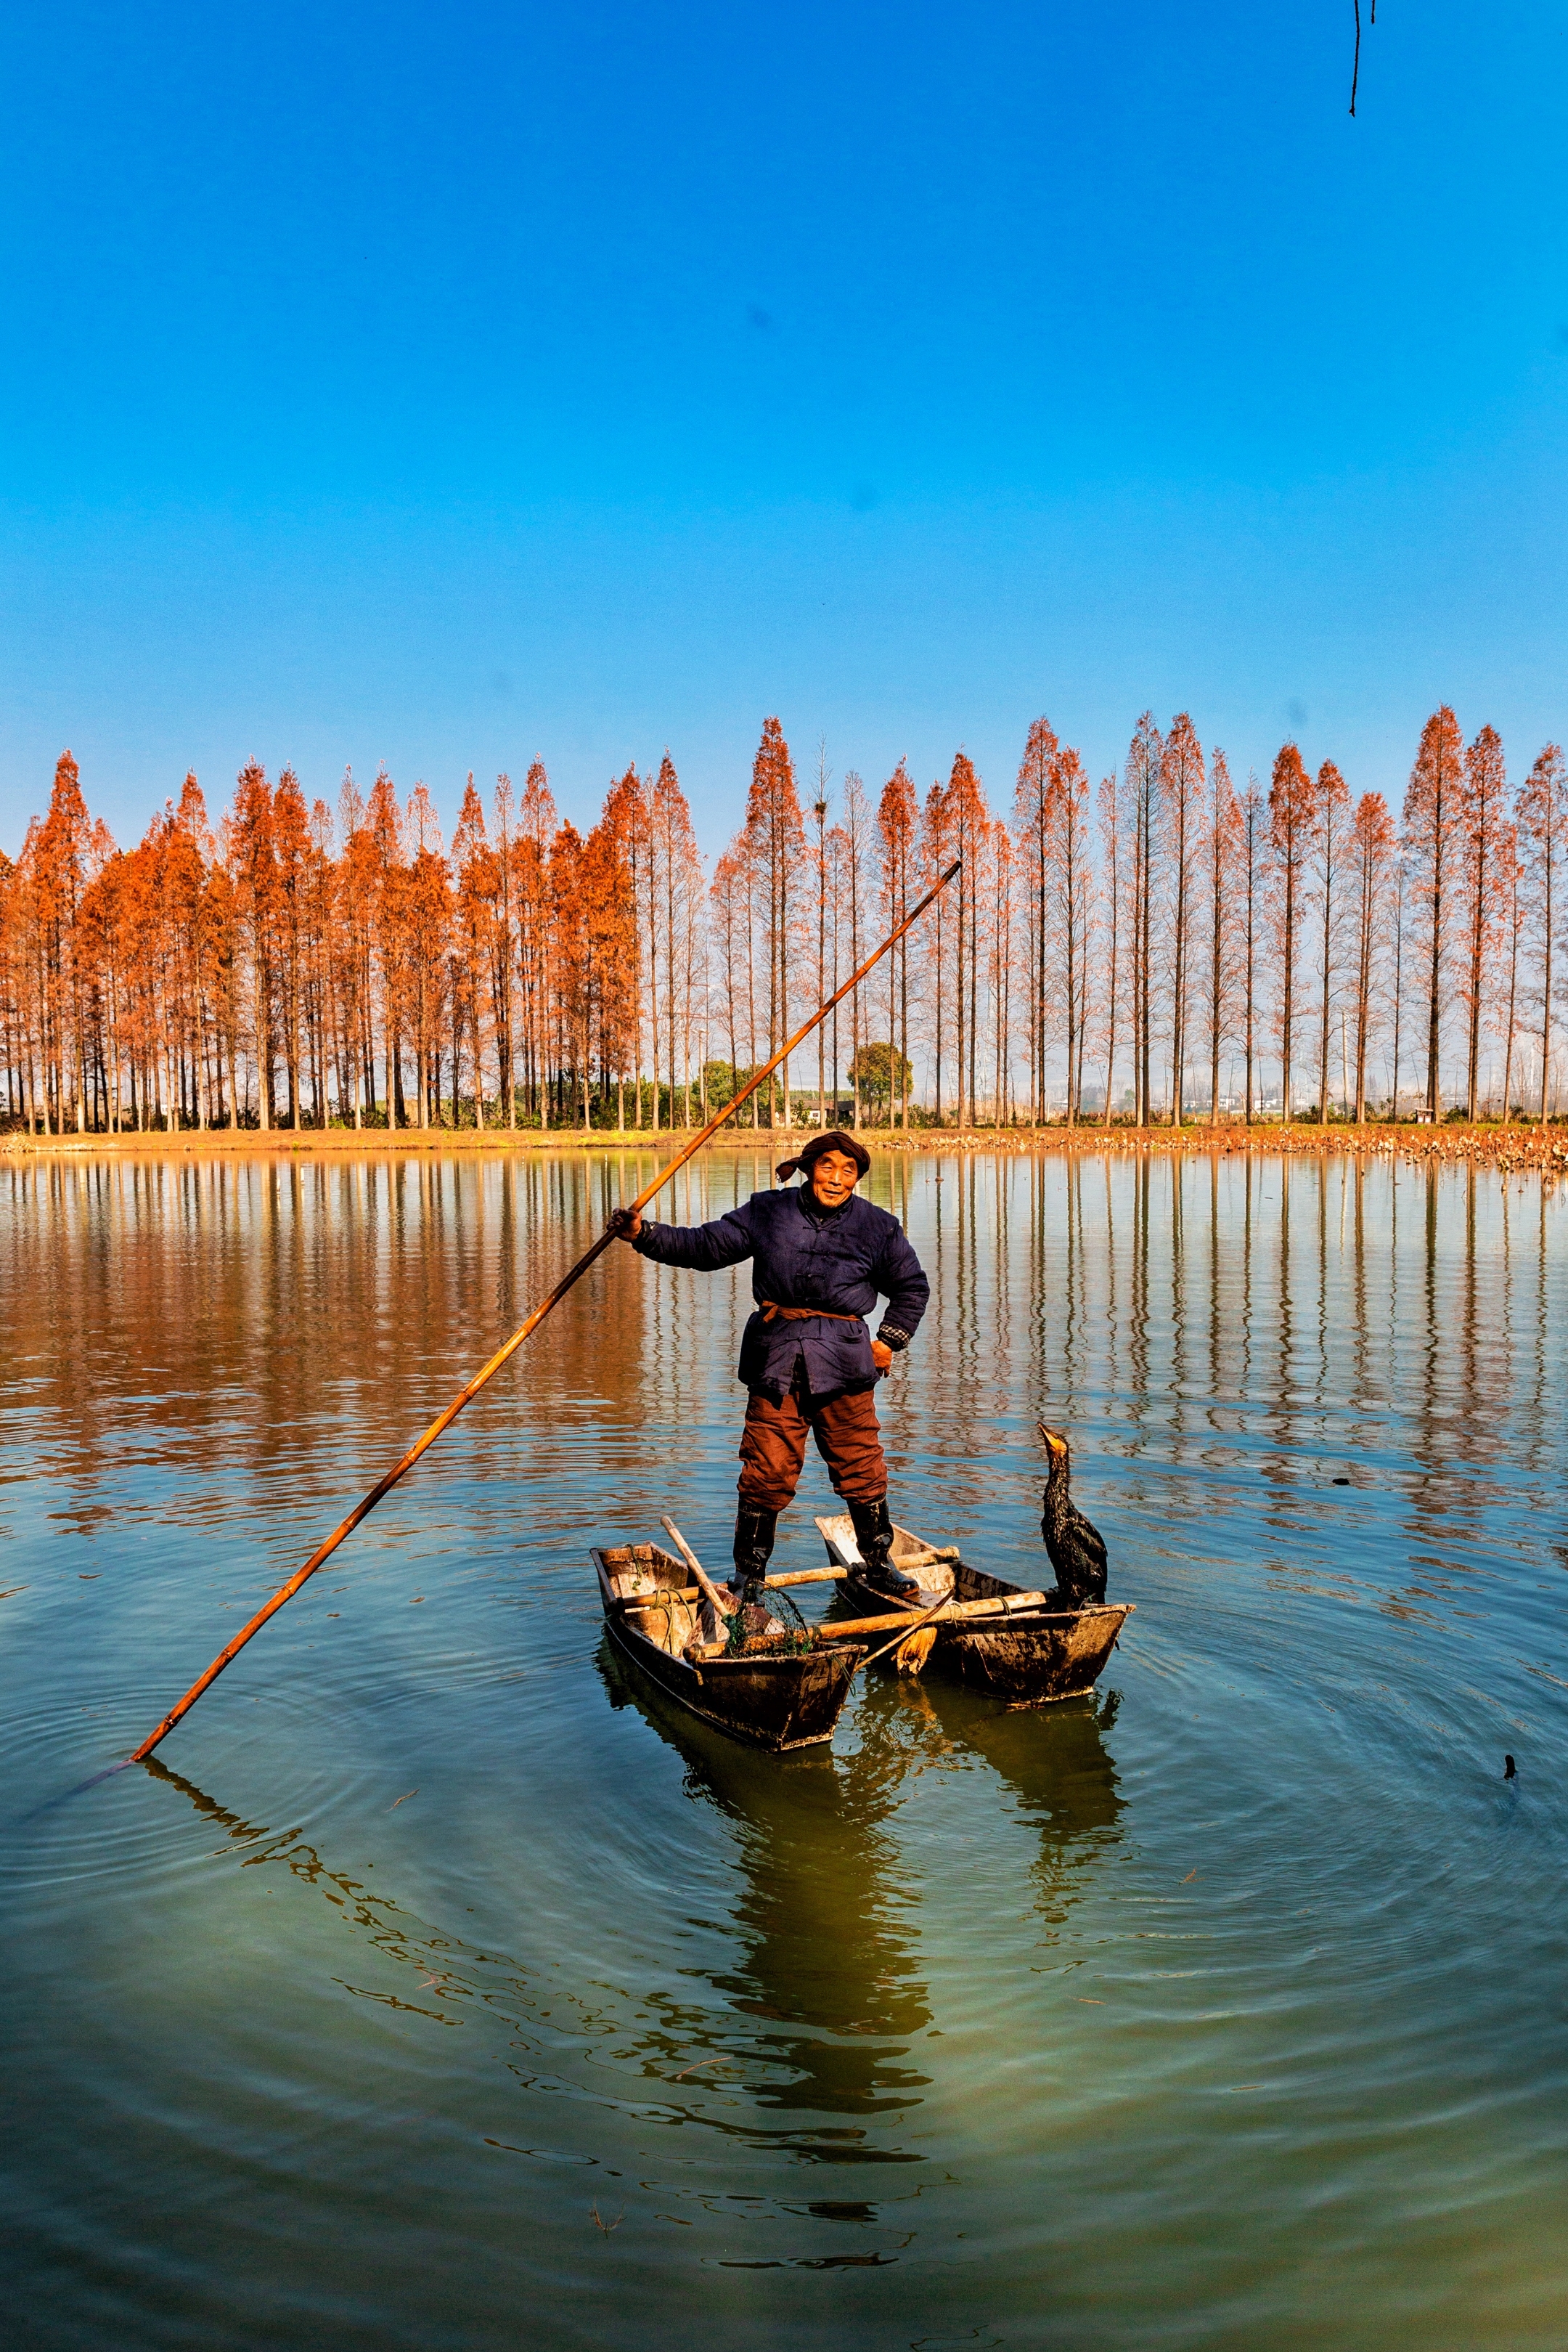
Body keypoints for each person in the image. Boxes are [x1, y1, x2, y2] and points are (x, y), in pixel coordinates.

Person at [607, 1131, 930, 1602]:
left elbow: (911, 1287)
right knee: (766, 1470)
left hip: (845, 1362)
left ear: (857, 1178)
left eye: (847, 1170)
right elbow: (704, 1246)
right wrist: (643, 1234)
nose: (836, 1179)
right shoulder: (769, 1212)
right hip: (777, 1362)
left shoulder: (878, 1227)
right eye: (827, 1166)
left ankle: (879, 1565)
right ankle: (749, 1577)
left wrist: (888, 1342)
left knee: (862, 1465)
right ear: (808, 1167)